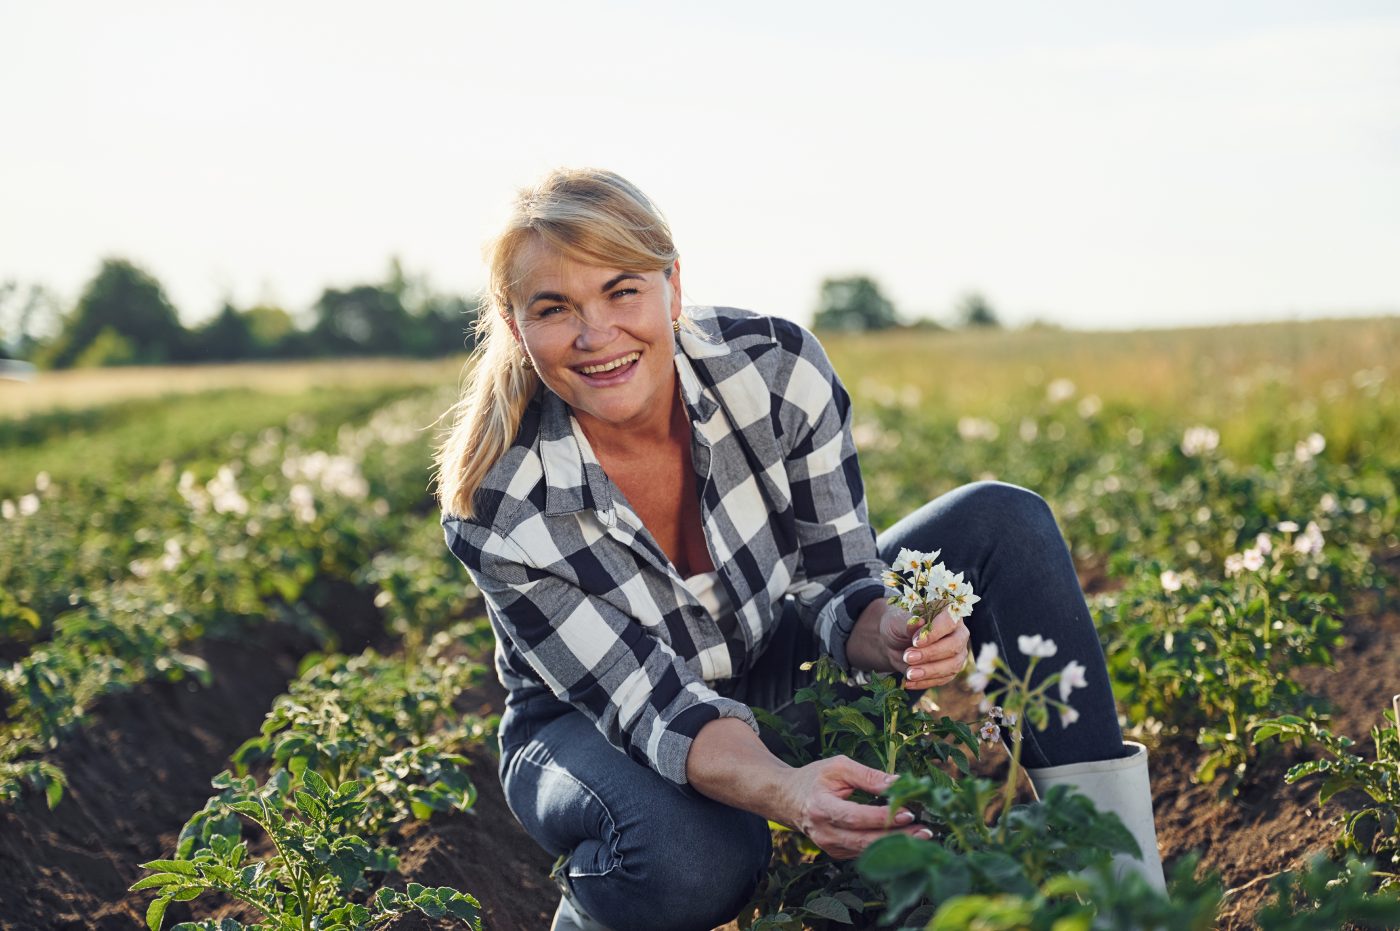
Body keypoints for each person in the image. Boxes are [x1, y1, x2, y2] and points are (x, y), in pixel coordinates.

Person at [434, 168, 1164, 931]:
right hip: (588, 730)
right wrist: (789, 790)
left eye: (623, 290)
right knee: (695, 856)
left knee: (1001, 523)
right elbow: (654, 706)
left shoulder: (774, 370)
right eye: (555, 308)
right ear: (516, 327)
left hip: (763, 663)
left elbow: (838, 580)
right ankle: (596, 914)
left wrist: (890, 630)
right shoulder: (501, 502)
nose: (597, 334)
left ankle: (1130, 900)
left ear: (672, 288)